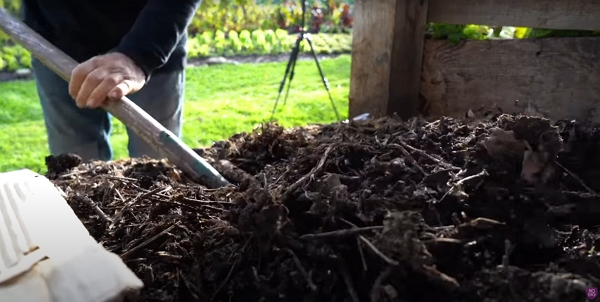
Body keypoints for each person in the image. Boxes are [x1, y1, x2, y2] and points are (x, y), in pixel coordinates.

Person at [21, 0, 202, 162]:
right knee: (76, 173)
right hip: (57, 45)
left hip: (152, 37)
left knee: (158, 168)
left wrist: (141, 55)